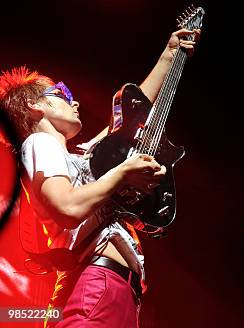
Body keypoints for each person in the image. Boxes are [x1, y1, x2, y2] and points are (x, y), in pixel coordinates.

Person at [0, 27, 200, 327]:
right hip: (96, 285)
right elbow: (67, 207)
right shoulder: (39, 143)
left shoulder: (76, 159)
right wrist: (123, 173)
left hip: (111, 289)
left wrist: (169, 55)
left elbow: (129, 119)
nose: (74, 101)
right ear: (35, 106)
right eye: (62, 94)